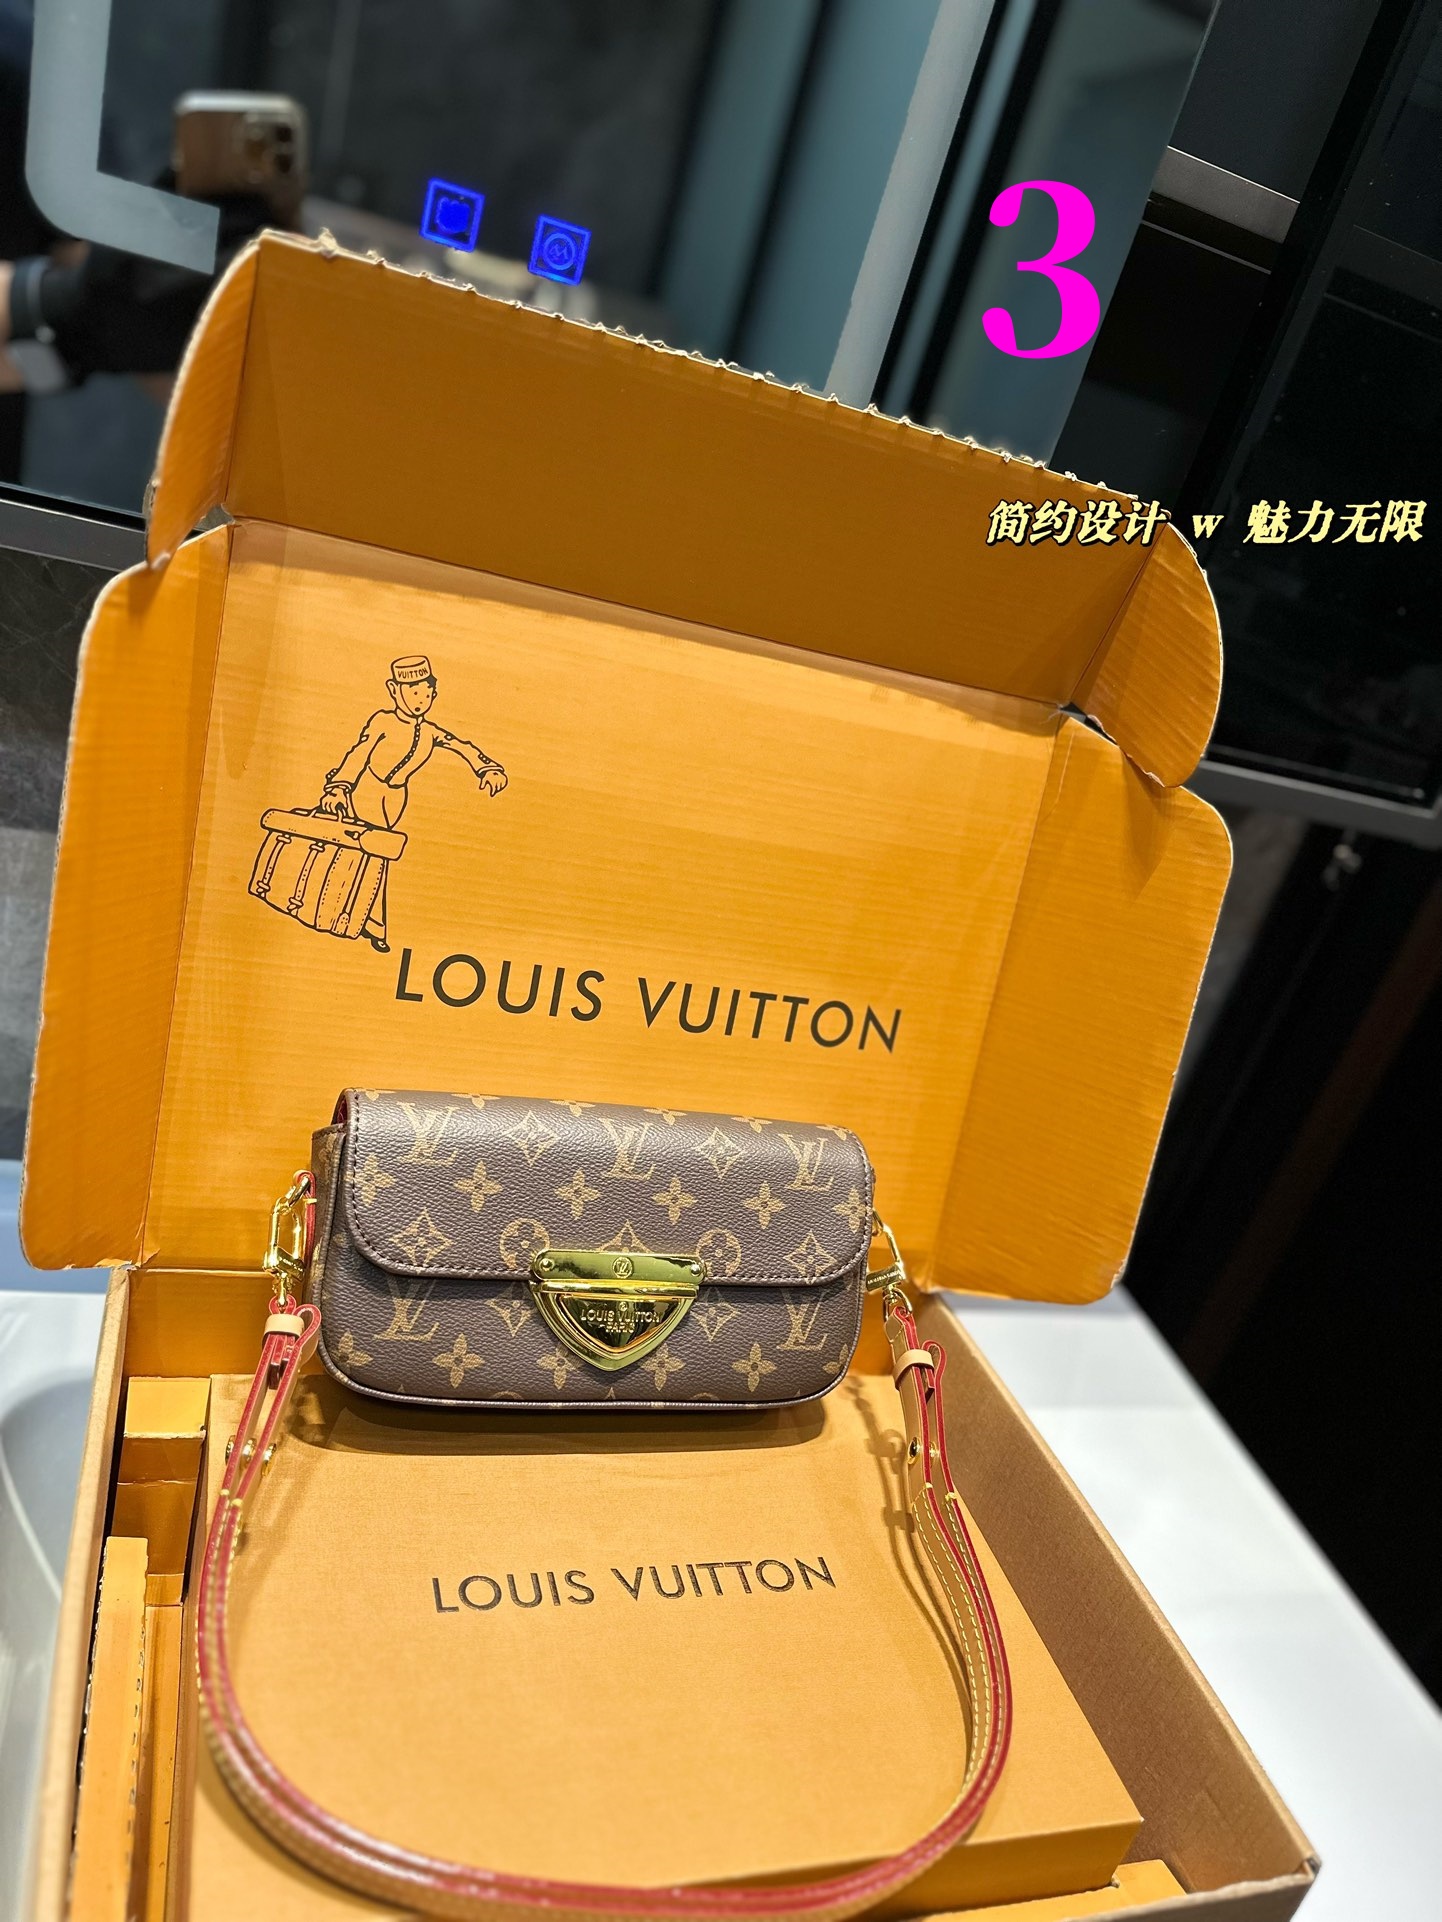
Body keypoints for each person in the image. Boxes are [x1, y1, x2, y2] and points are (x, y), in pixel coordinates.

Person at [315, 656, 507, 952]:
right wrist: (339, 788)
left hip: (394, 798)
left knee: (377, 856)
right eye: (412, 691)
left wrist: (487, 768)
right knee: (371, 855)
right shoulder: (383, 721)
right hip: (367, 790)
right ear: (394, 690)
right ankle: (364, 921)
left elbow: (461, 746)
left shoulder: (429, 731)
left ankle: (359, 918)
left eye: (425, 693)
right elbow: (359, 754)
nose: (419, 699)